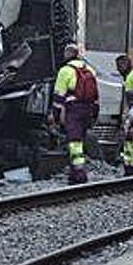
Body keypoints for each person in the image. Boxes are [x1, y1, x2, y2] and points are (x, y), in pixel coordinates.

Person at [53, 43, 100, 185]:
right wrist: (95, 113)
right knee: (80, 139)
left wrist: (55, 115)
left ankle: (79, 173)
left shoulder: (65, 71)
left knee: (74, 142)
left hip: (73, 109)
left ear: (67, 54)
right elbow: (95, 94)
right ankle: (75, 172)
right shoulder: (89, 69)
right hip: (88, 108)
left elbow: (59, 95)